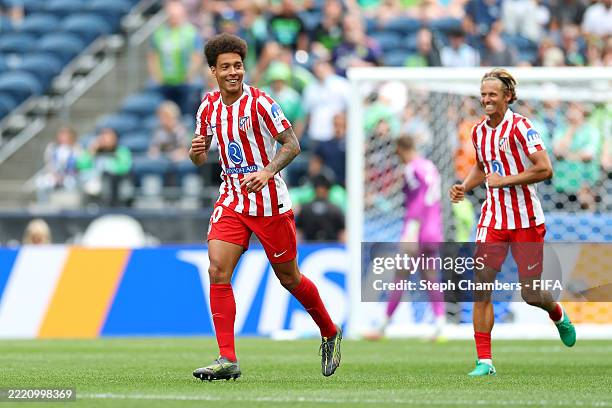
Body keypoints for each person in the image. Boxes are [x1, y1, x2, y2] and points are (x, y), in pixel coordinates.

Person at [189, 33, 341, 381]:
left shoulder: (260, 103)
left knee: (289, 278)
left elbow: (292, 143)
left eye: (238, 66)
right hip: (232, 199)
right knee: (217, 270)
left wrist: (267, 170)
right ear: (213, 70)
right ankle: (227, 358)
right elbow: (198, 158)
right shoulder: (207, 107)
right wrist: (196, 150)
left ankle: (329, 330)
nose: (233, 72)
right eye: (225, 67)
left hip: (270, 202)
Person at [449, 68, 576, 377]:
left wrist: (506, 181)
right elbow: (482, 167)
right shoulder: (478, 131)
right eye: (483, 94)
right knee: (481, 287)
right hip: (493, 218)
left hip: (526, 220)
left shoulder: (522, 127)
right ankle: (485, 362)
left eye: (492, 94)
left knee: (531, 293)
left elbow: (545, 169)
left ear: (507, 97)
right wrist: (465, 186)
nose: (486, 99)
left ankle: (557, 314)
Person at [367, 135, 446, 341]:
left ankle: (383, 326)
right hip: (434, 229)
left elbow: (418, 200)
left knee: (400, 276)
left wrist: (411, 231)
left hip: (417, 229)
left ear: (401, 149)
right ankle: (440, 324)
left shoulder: (411, 169)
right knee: (431, 277)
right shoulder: (430, 166)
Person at [148, 0, 203, 115]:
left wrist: (190, 74)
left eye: (176, 15)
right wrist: (157, 76)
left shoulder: (191, 32)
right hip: (165, 83)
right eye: (171, 15)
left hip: (185, 83)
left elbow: (197, 55)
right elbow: (153, 56)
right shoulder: (160, 33)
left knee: (186, 112)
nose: (173, 18)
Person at [295, 174, 345, 242]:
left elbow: (298, 233)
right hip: (332, 248)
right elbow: (343, 234)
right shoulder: (335, 209)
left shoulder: (304, 208)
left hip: (308, 249)